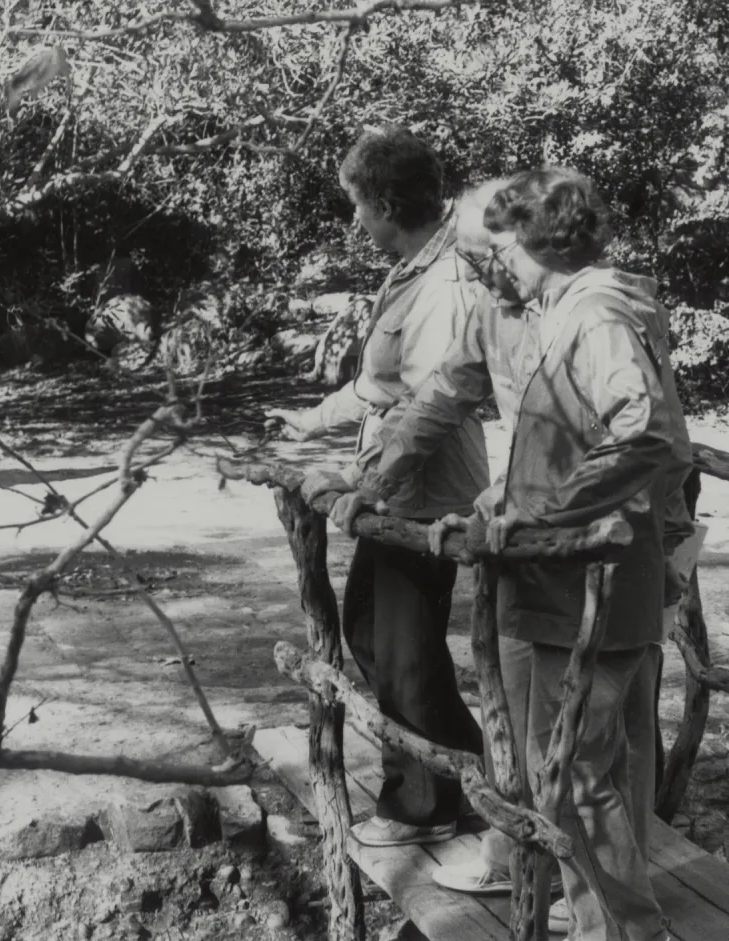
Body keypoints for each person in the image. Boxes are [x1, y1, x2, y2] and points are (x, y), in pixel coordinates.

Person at [343, 169, 681, 941]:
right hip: (540, 578)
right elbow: (451, 397)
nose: (481, 268)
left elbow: (649, 439)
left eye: (490, 250)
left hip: (594, 584)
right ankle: (573, 905)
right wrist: (379, 480)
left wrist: (533, 506)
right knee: (544, 769)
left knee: (582, 775)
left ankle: (627, 930)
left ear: (535, 238)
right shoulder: (533, 308)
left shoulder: (597, 315)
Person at [264, 126, 488, 848]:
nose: (356, 220)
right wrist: (309, 422)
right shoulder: (413, 267)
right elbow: (376, 384)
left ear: (387, 203)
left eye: (359, 204)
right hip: (395, 485)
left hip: (423, 493)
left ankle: (435, 801)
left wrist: (363, 480)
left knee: (399, 644)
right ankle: (458, 782)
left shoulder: (448, 281)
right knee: (375, 629)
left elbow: (430, 408)